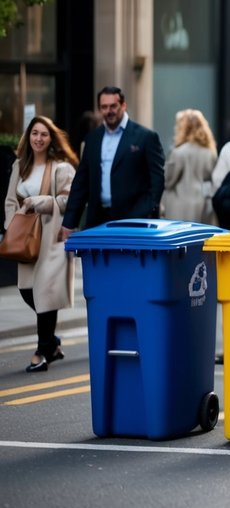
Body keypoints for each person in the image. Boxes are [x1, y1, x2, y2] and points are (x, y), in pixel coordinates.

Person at [5, 117, 78, 372]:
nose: (38, 138)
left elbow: (69, 201)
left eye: (44, 134)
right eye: (34, 133)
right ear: (29, 136)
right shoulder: (19, 165)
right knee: (27, 291)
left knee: (45, 294)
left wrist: (43, 202)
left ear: (51, 138)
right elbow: (10, 201)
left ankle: (41, 352)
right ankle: (52, 344)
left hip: (51, 239)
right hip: (25, 238)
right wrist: (11, 225)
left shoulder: (61, 168)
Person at [62, 86, 165, 239]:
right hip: (98, 221)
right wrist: (69, 222)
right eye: (104, 107)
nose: (109, 111)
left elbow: (157, 180)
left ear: (123, 105)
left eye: (113, 106)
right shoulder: (93, 139)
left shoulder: (146, 137)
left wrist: (146, 211)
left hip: (134, 222)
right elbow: (81, 182)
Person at [161, 109, 218, 224]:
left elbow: (168, 180)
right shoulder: (210, 152)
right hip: (203, 205)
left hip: (179, 206)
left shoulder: (178, 152)